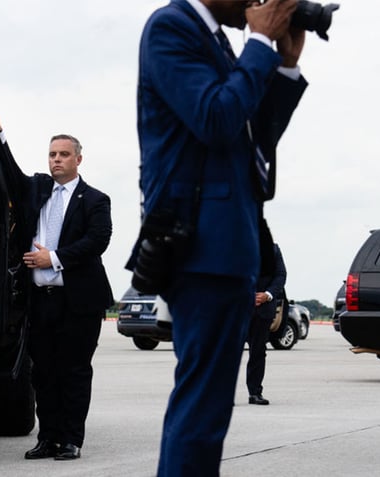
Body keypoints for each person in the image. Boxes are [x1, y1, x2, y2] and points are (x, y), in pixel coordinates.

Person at [128, 1, 307, 475]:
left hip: (228, 244)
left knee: (207, 406)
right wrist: (261, 43)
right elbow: (215, 116)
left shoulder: (216, 40)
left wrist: (284, 65)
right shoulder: (172, 27)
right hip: (200, 245)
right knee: (202, 405)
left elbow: (252, 135)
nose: (258, 3)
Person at [0, 110, 113, 461]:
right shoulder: (36, 189)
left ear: (78, 159)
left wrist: (54, 258)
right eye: (52, 154)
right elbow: (8, 171)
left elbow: (98, 241)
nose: (56, 160)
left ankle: (70, 440)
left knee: (74, 372)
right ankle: (48, 437)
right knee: (44, 374)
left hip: (79, 301)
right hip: (41, 301)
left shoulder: (96, 200)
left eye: (64, 154)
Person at [246, 220, 287, 405]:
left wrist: (268, 295)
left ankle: (255, 392)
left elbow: (281, 275)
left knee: (258, 352)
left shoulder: (274, 250)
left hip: (263, 310)